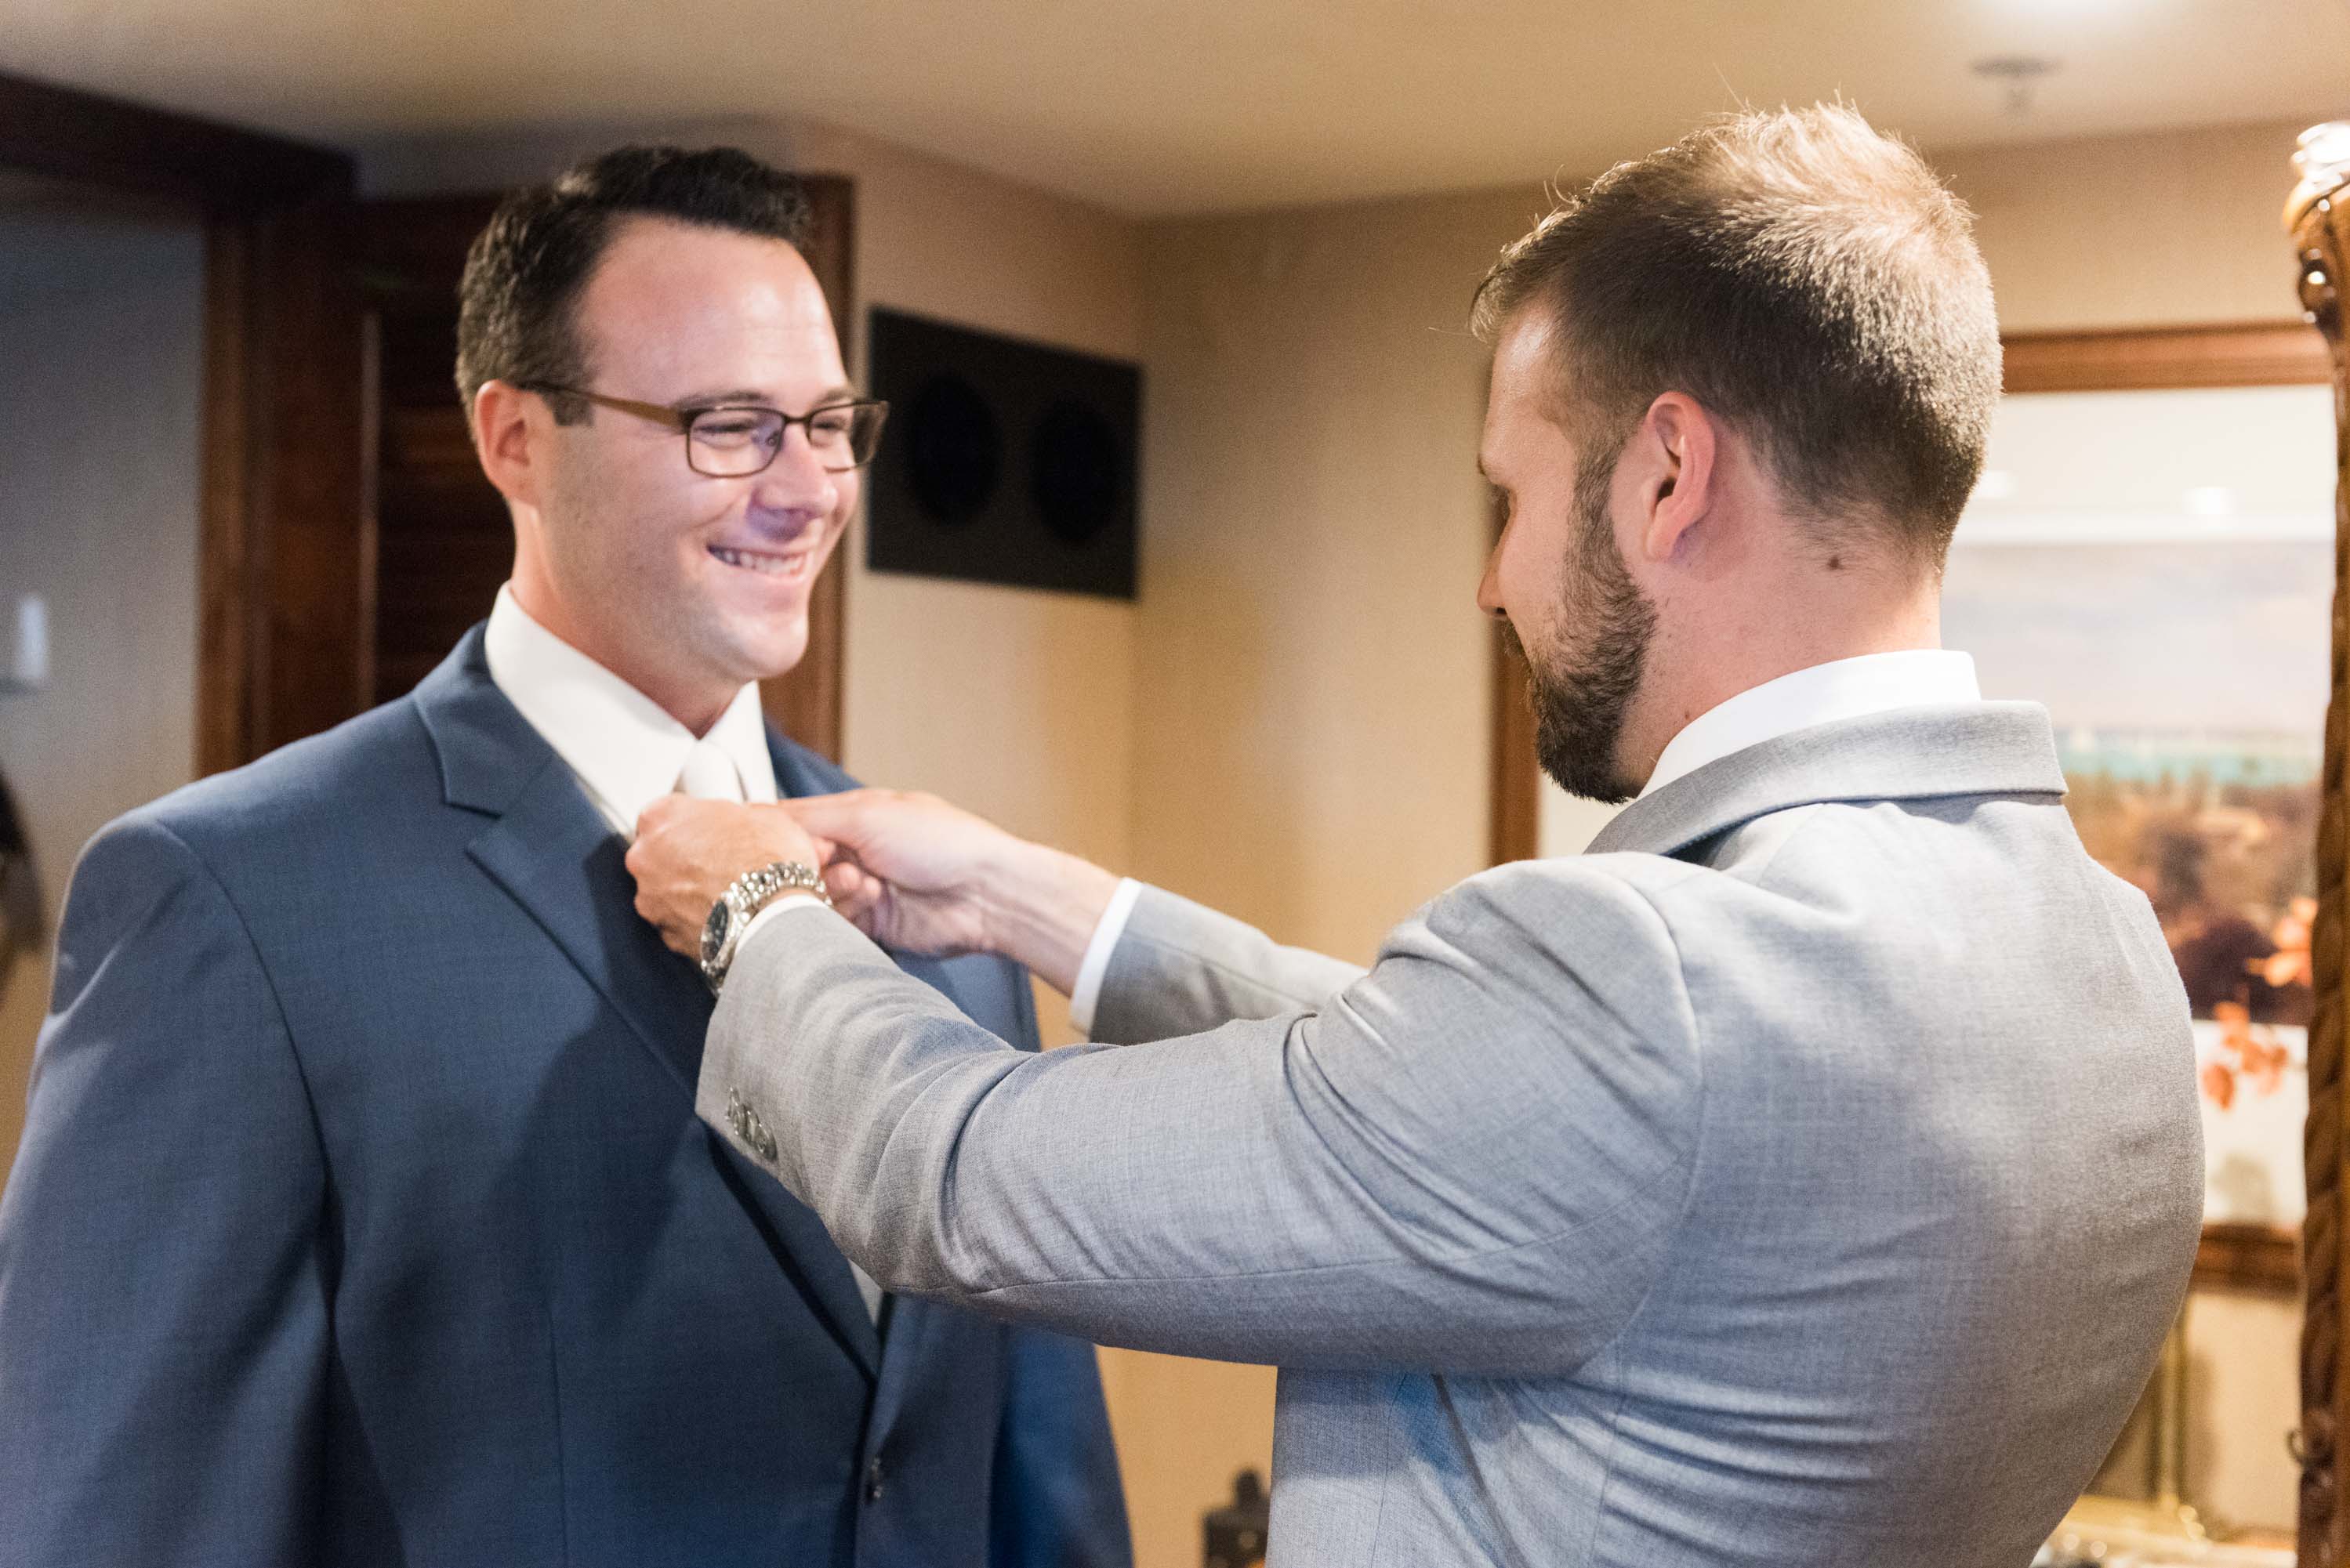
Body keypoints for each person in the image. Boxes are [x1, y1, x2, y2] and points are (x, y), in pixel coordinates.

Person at [629, 107, 2203, 1568]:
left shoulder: (1650, 990)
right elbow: (1495, 1116)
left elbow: (952, 1172)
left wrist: (755, 911)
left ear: (1668, 476)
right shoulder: (2102, 961)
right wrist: (1034, 901)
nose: (1491, 581)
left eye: (1509, 497)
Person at [0, 146, 1129, 1568]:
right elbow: (113, 1520)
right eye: (730, 425)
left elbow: (1034, 1483)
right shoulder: (233, 901)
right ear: (513, 438)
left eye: (828, 423)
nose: (808, 489)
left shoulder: (940, 907)